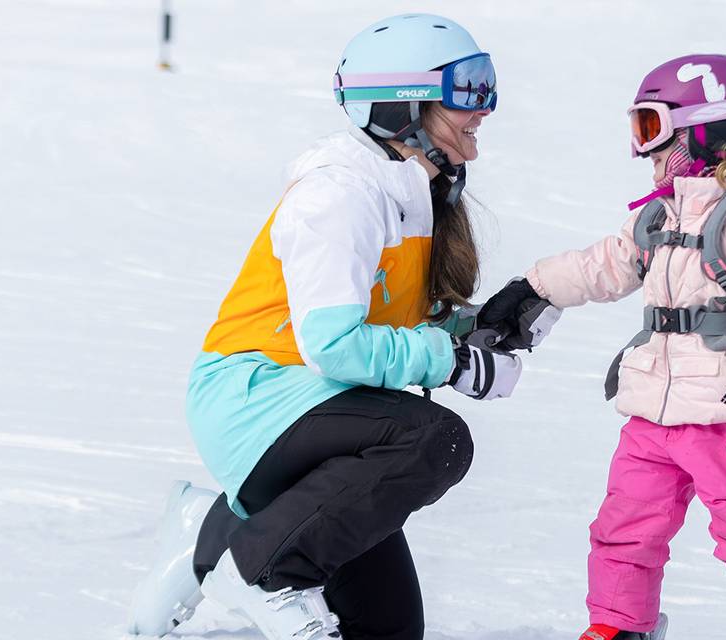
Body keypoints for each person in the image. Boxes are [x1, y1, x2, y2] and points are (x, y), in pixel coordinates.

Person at [126, 13, 516, 640]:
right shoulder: (339, 194)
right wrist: (448, 363)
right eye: (465, 88)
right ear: (402, 104)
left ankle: (212, 534)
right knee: (434, 439)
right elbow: (333, 345)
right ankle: (262, 573)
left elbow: (385, 317)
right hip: (256, 397)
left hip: (323, 408)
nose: (483, 107)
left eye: (485, 83)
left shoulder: (410, 190)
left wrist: (472, 329)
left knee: (388, 630)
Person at [475, 54, 726, 640]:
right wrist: (532, 288)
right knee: (626, 525)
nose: (643, 148)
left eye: (653, 127)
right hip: (651, 409)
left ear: (712, 133)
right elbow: (606, 264)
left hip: (723, 410)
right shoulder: (662, 213)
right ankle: (618, 624)